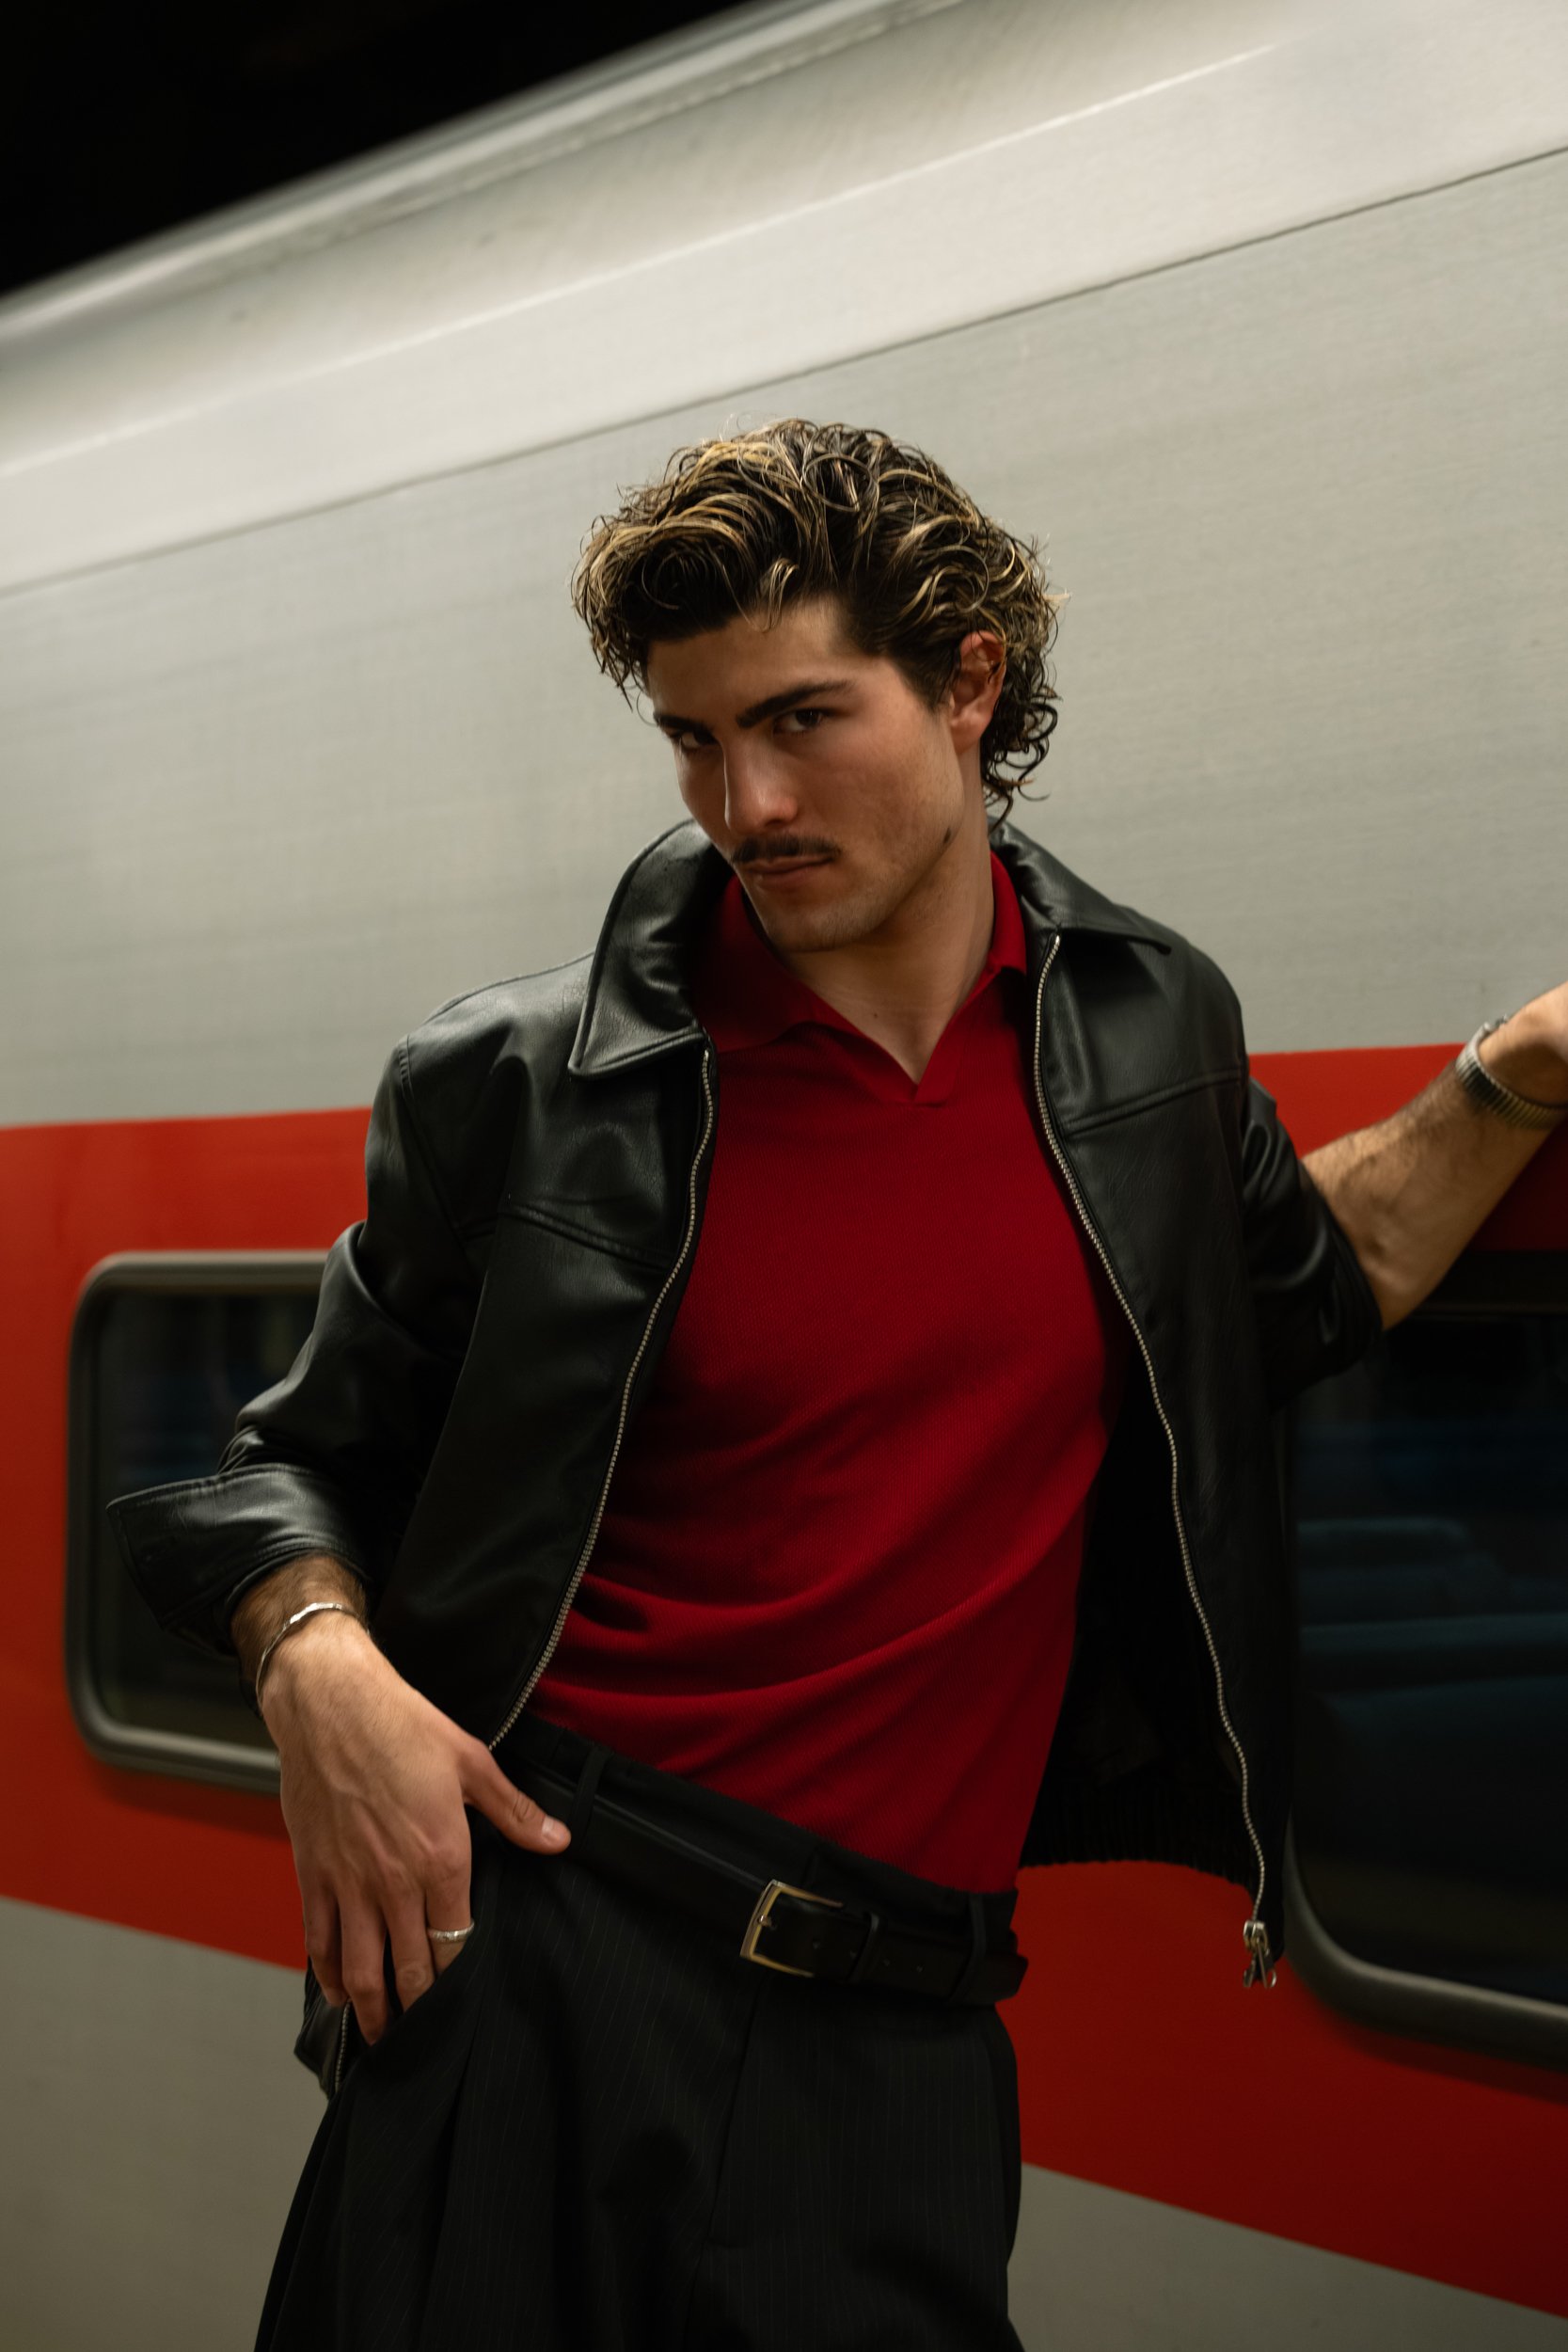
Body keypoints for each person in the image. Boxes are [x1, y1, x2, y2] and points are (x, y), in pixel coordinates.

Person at [111, 421, 1568, 2351]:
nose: (749, 797)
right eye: (698, 739)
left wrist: (1521, 1071)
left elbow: (1304, 1278)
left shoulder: (1150, 1030)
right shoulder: (522, 1085)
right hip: (546, 1967)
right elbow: (268, 1464)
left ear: (970, 683)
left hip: (913, 2025)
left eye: (803, 719)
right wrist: (315, 1663)